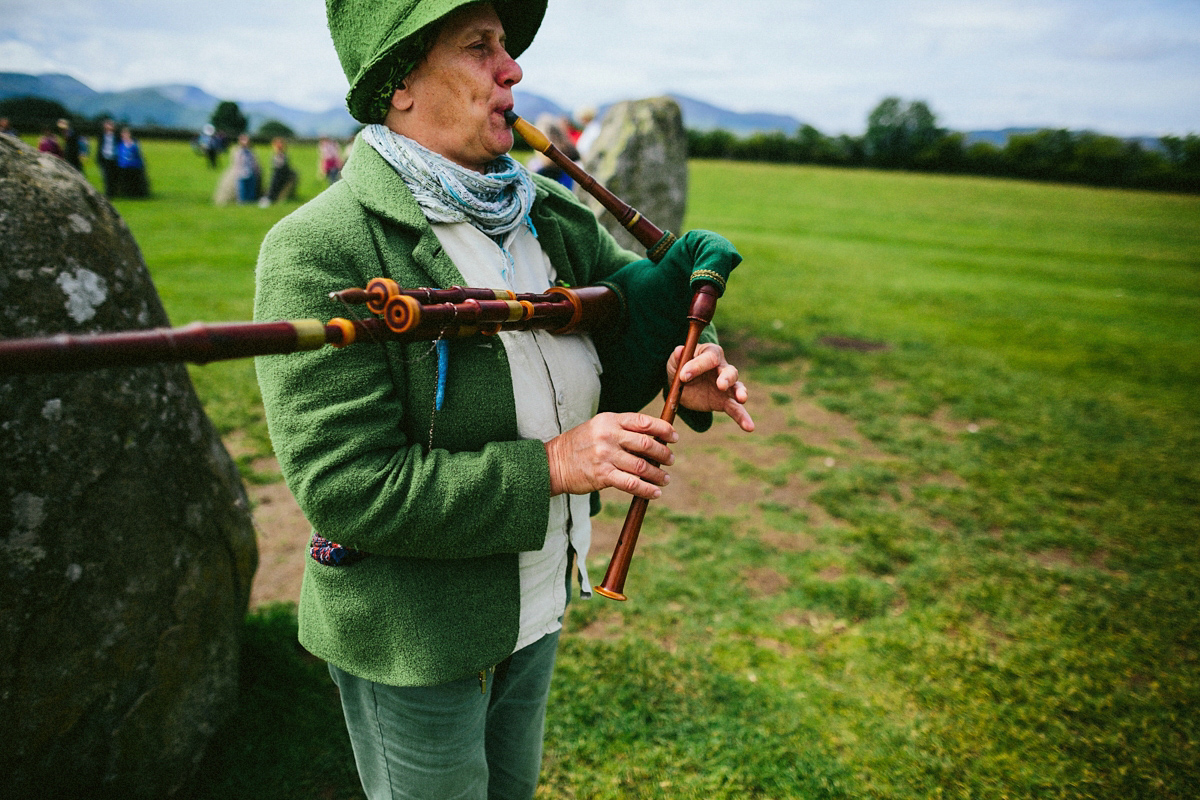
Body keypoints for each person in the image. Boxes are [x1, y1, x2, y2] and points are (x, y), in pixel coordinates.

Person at [253, 2, 753, 799]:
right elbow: (347, 489)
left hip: (535, 603)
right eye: (481, 47)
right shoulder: (323, 248)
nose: (512, 69)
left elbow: (635, 302)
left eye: (508, 47)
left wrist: (683, 359)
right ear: (400, 82)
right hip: (415, 636)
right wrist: (554, 465)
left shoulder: (544, 214)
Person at [260, 136, 297, 206]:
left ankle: (270, 198)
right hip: (277, 175)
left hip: (283, 175)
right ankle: (269, 198)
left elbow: (284, 166)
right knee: (273, 184)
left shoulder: (284, 155)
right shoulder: (275, 155)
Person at [115, 127, 149, 197]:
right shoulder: (120, 143)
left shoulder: (134, 143)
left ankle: (136, 193)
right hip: (124, 165)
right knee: (126, 181)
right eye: (124, 133)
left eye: (127, 133)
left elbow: (139, 153)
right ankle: (127, 193)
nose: (125, 135)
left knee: (134, 180)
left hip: (134, 164)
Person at [233, 133, 262, 204]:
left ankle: (250, 203)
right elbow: (237, 164)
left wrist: (257, 171)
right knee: (242, 190)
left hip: (251, 173)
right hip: (241, 174)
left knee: (251, 190)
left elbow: (254, 163)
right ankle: (242, 203)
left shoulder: (251, 152)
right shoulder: (238, 152)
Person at [96, 119, 119, 197]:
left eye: (110, 125)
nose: (109, 126)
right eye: (107, 125)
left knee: (114, 176)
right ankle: (108, 192)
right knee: (106, 176)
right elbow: (99, 147)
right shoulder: (102, 135)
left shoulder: (116, 135)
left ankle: (113, 191)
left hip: (114, 157)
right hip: (105, 158)